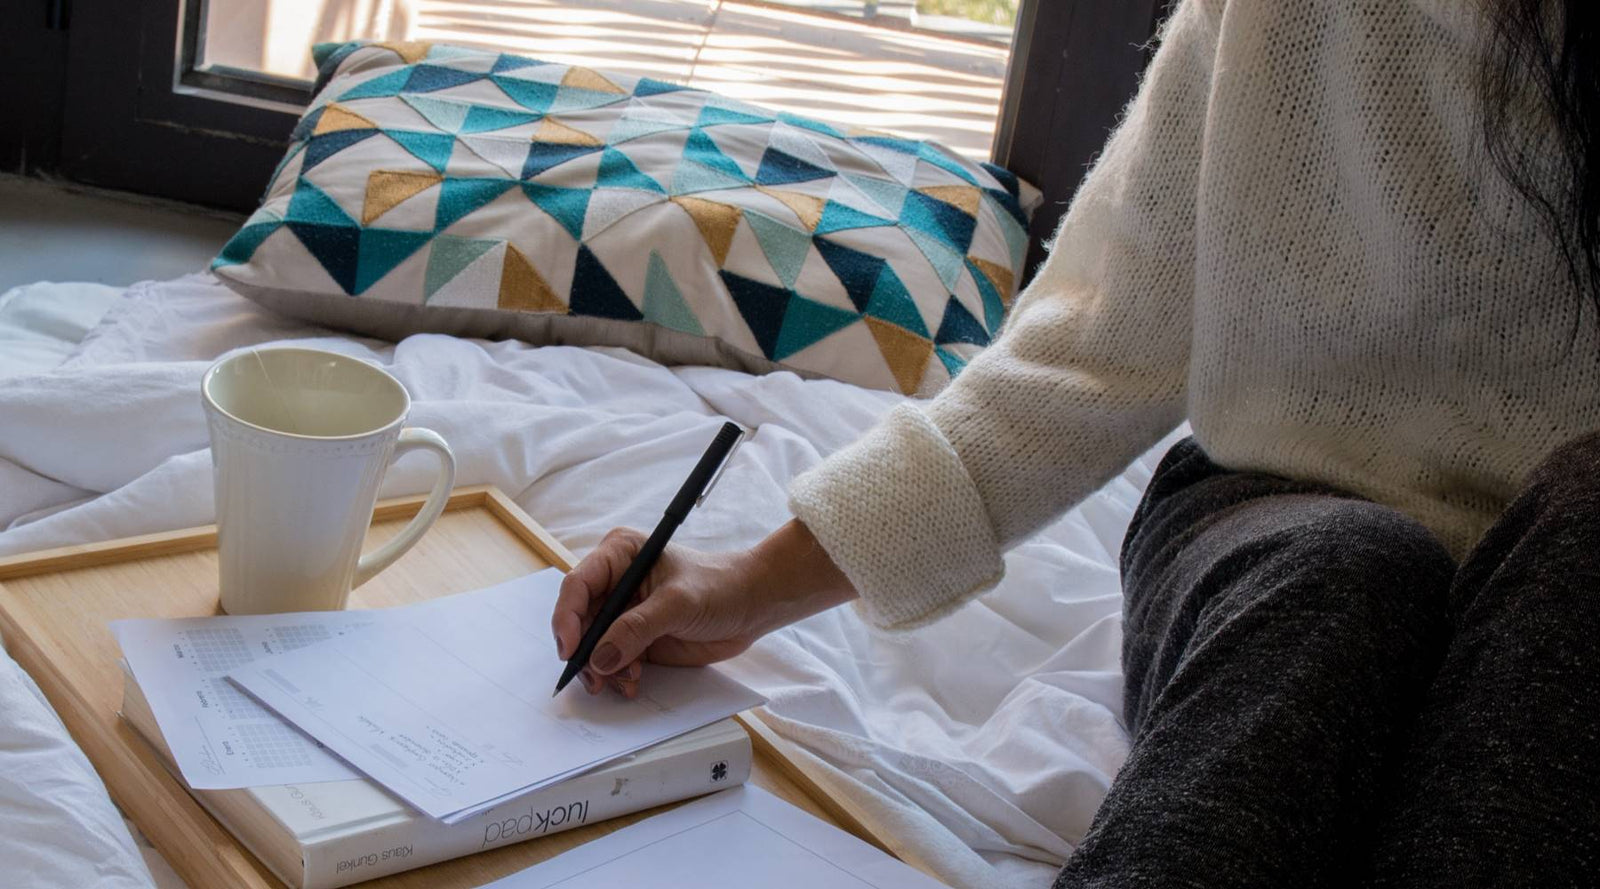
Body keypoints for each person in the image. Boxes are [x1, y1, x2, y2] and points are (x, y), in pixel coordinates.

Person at [552, 1, 1600, 885]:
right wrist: (750, 582)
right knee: (1347, 576)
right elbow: (1085, 352)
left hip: (1564, 576)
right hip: (1277, 523)